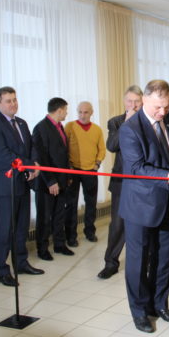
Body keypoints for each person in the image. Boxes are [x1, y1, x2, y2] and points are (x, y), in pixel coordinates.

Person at [118, 79, 169, 333]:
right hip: (140, 205)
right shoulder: (130, 129)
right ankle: (139, 312)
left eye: (167, 106)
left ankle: (159, 305)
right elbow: (136, 168)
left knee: (163, 258)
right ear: (145, 100)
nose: (163, 112)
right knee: (138, 262)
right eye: (158, 107)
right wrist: (167, 177)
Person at [0, 86, 44, 286]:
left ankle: (21, 263)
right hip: (5, 186)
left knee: (21, 228)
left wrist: (34, 164)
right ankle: (2, 270)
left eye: (15, 100)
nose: (13, 104)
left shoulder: (22, 123)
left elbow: (32, 147)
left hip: (23, 183)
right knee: (4, 230)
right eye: (8, 101)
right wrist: (29, 165)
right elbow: (3, 155)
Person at [97, 85, 143, 279]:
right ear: (124, 102)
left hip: (144, 181)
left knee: (143, 224)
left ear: (143, 102)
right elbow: (112, 146)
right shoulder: (116, 122)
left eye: (137, 102)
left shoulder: (149, 121)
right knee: (117, 224)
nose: (133, 105)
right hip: (121, 182)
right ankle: (111, 263)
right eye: (129, 101)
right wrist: (126, 123)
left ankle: (142, 262)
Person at [33, 97, 73, 261]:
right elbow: (41, 157)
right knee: (44, 217)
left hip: (62, 180)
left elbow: (63, 154)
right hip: (46, 183)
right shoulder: (41, 128)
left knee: (59, 215)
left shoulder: (59, 127)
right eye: (66, 110)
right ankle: (42, 249)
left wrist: (67, 176)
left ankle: (59, 244)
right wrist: (51, 181)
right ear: (59, 110)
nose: (66, 113)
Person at [65, 101, 106, 244]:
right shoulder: (69, 126)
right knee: (71, 204)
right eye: (80, 112)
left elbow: (102, 149)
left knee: (91, 203)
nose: (82, 115)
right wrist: (68, 165)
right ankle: (71, 236)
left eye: (86, 112)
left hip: (90, 170)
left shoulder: (97, 130)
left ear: (91, 113)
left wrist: (97, 164)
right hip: (73, 170)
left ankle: (90, 232)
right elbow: (63, 147)